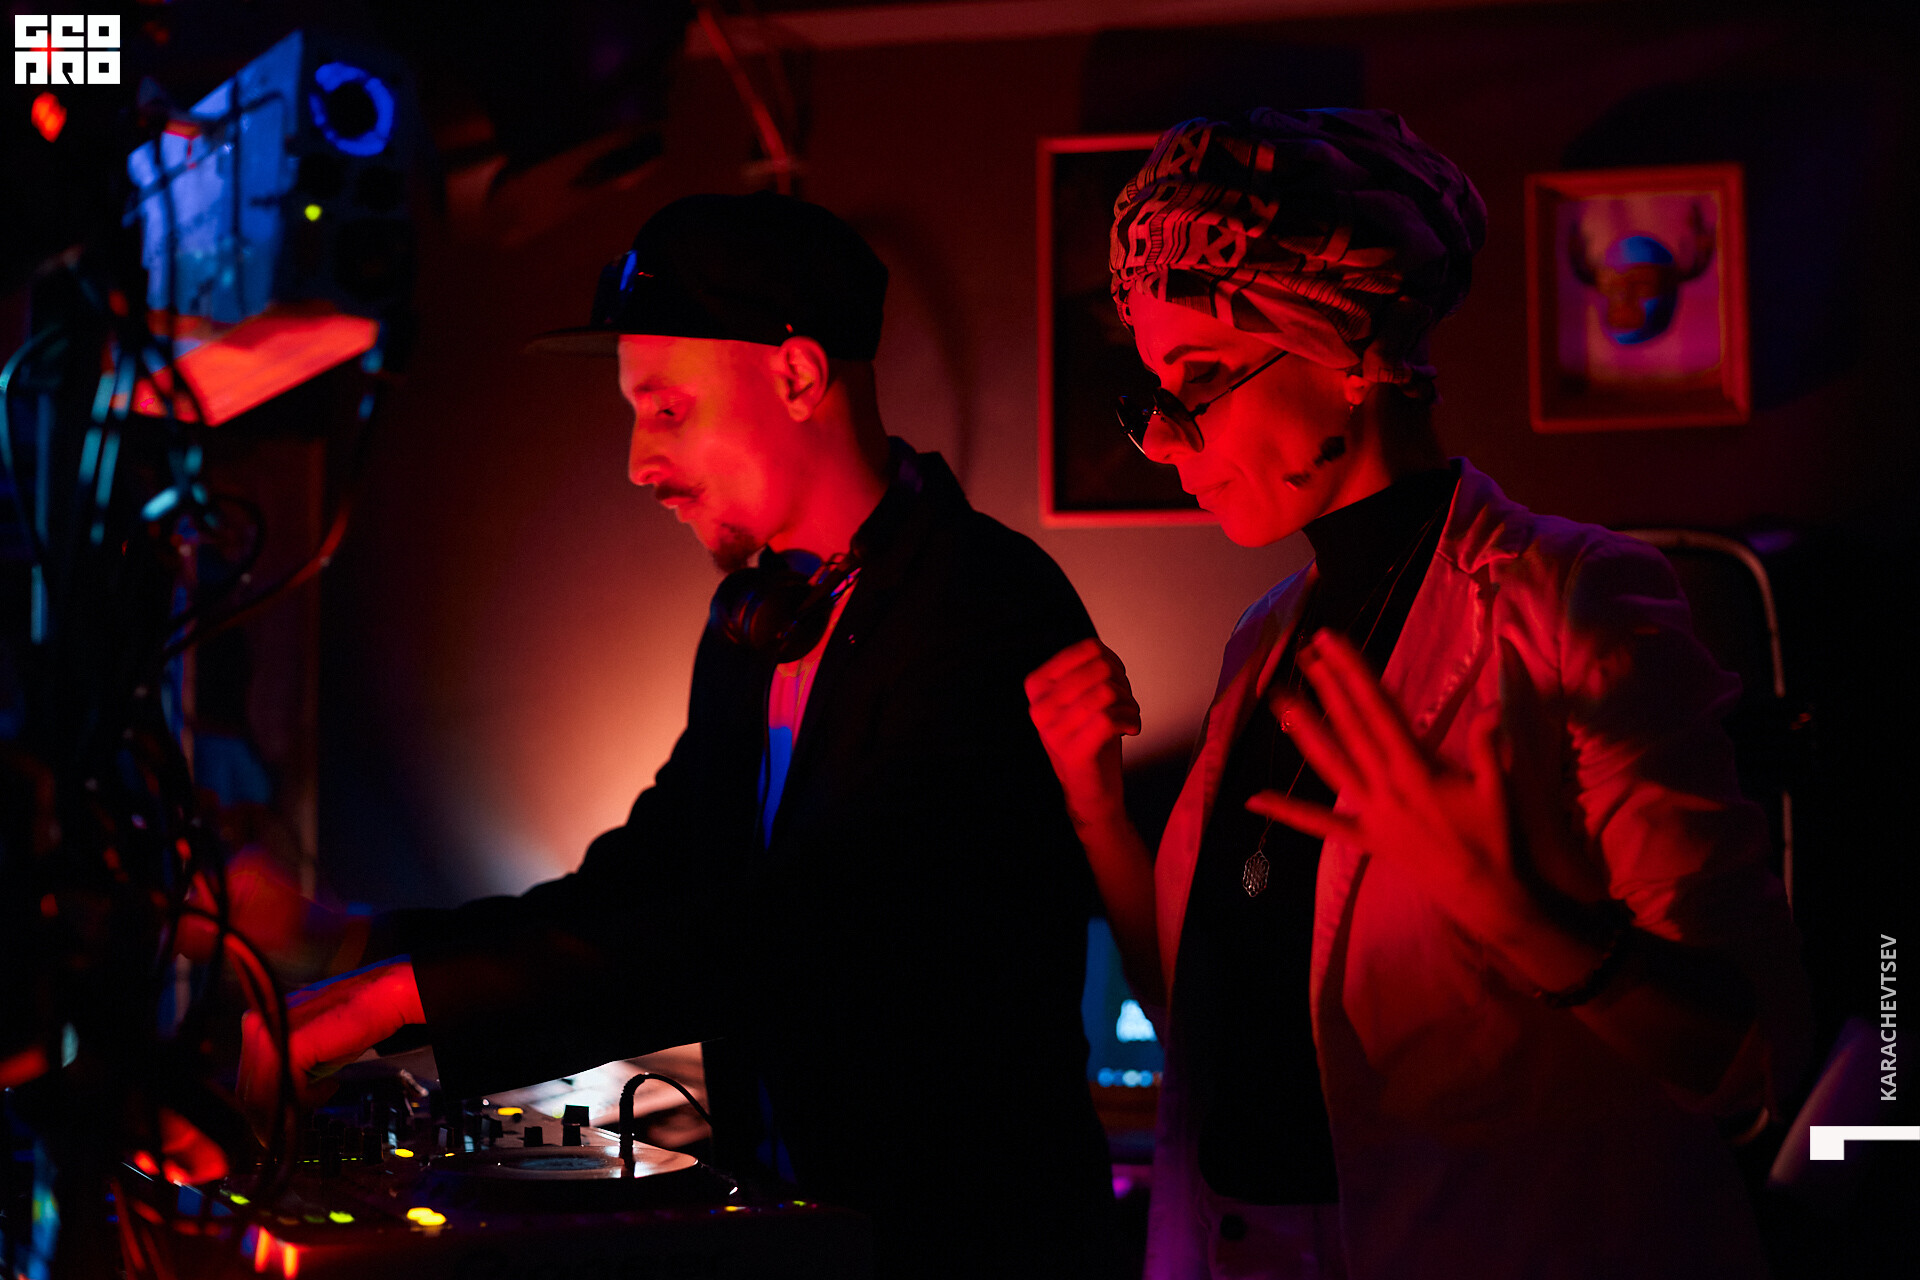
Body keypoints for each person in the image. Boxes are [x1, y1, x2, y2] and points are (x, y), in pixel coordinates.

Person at [238, 192, 1119, 1278]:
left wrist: (402, 996)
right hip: (812, 1239)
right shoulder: (757, 622)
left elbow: (793, 936)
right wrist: (352, 951)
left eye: (665, 409)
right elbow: (641, 887)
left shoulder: (985, 608)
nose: (637, 462)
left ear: (797, 376)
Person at [1024, 109, 1812, 1279]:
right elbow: (1204, 1023)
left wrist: (1516, 912)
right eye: (1152, 397)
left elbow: (1754, 1056)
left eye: (1200, 380)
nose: (1168, 443)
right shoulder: (1263, 642)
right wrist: (1095, 810)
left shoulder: (1573, 601)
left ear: (1353, 351)